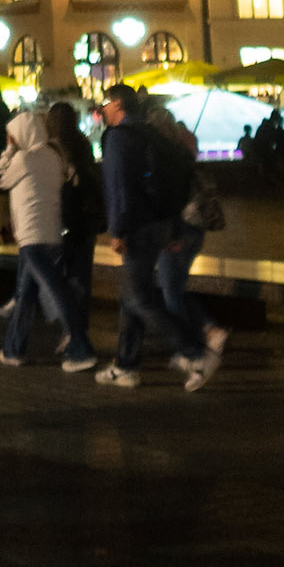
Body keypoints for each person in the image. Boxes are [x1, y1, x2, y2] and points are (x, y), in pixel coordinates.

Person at [94, 83, 217, 393]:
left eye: (106, 104)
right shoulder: (152, 134)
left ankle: (195, 353)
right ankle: (126, 364)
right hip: (159, 223)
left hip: (136, 227)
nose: (103, 109)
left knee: (139, 297)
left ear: (118, 105)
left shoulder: (119, 138)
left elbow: (119, 187)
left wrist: (118, 230)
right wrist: (173, 226)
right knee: (132, 294)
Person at [0, 110, 95, 372]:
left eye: (12, 135)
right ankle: (13, 349)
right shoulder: (54, 156)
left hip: (32, 237)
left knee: (57, 291)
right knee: (26, 294)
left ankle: (80, 348)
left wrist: (8, 151)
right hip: (52, 235)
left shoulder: (25, 159)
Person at [147, 104, 228, 374]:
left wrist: (170, 232)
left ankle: (197, 341)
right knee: (175, 288)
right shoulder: (185, 144)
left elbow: (168, 198)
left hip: (179, 228)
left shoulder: (164, 154)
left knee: (170, 291)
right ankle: (202, 335)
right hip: (196, 228)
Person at [45, 101, 105, 329]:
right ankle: (80, 327)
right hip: (86, 219)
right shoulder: (83, 143)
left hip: (62, 218)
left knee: (61, 276)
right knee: (82, 276)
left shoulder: (52, 147)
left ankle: (70, 329)